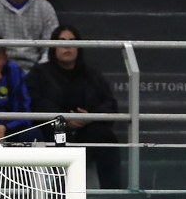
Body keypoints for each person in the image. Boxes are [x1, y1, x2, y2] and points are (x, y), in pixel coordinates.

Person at [26, 24, 122, 189]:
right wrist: (63, 118)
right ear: (53, 47)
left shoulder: (92, 75)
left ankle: (112, 194)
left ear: (78, 47)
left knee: (105, 136)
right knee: (63, 138)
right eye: (61, 41)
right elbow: (35, 103)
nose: (67, 46)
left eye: (72, 41)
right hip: (56, 127)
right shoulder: (38, 74)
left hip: (87, 128)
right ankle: (63, 197)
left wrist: (90, 116)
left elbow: (110, 105)